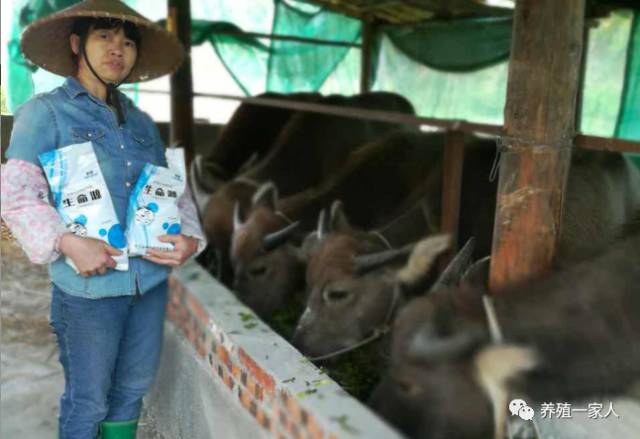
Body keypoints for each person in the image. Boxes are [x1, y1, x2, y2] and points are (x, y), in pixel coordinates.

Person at [0, 1, 206, 438]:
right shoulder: (46, 113)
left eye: (128, 41)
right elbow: (17, 195)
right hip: (88, 293)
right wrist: (68, 242)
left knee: (131, 389)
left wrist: (189, 237)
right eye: (105, 37)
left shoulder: (141, 124)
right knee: (89, 399)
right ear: (77, 44)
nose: (119, 49)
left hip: (147, 285)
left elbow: (173, 191)